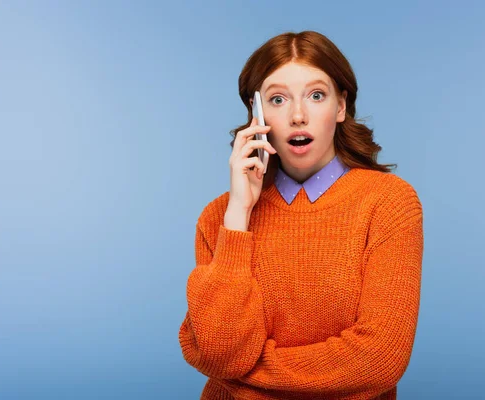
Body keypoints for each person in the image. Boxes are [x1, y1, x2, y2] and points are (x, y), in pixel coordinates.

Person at [178, 30, 424, 400]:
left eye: (316, 95)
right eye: (278, 99)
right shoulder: (221, 217)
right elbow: (220, 354)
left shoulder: (388, 203)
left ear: (340, 106)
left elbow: (379, 359)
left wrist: (244, 377)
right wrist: (239, 214)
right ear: (257, 113)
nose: (297, 115)